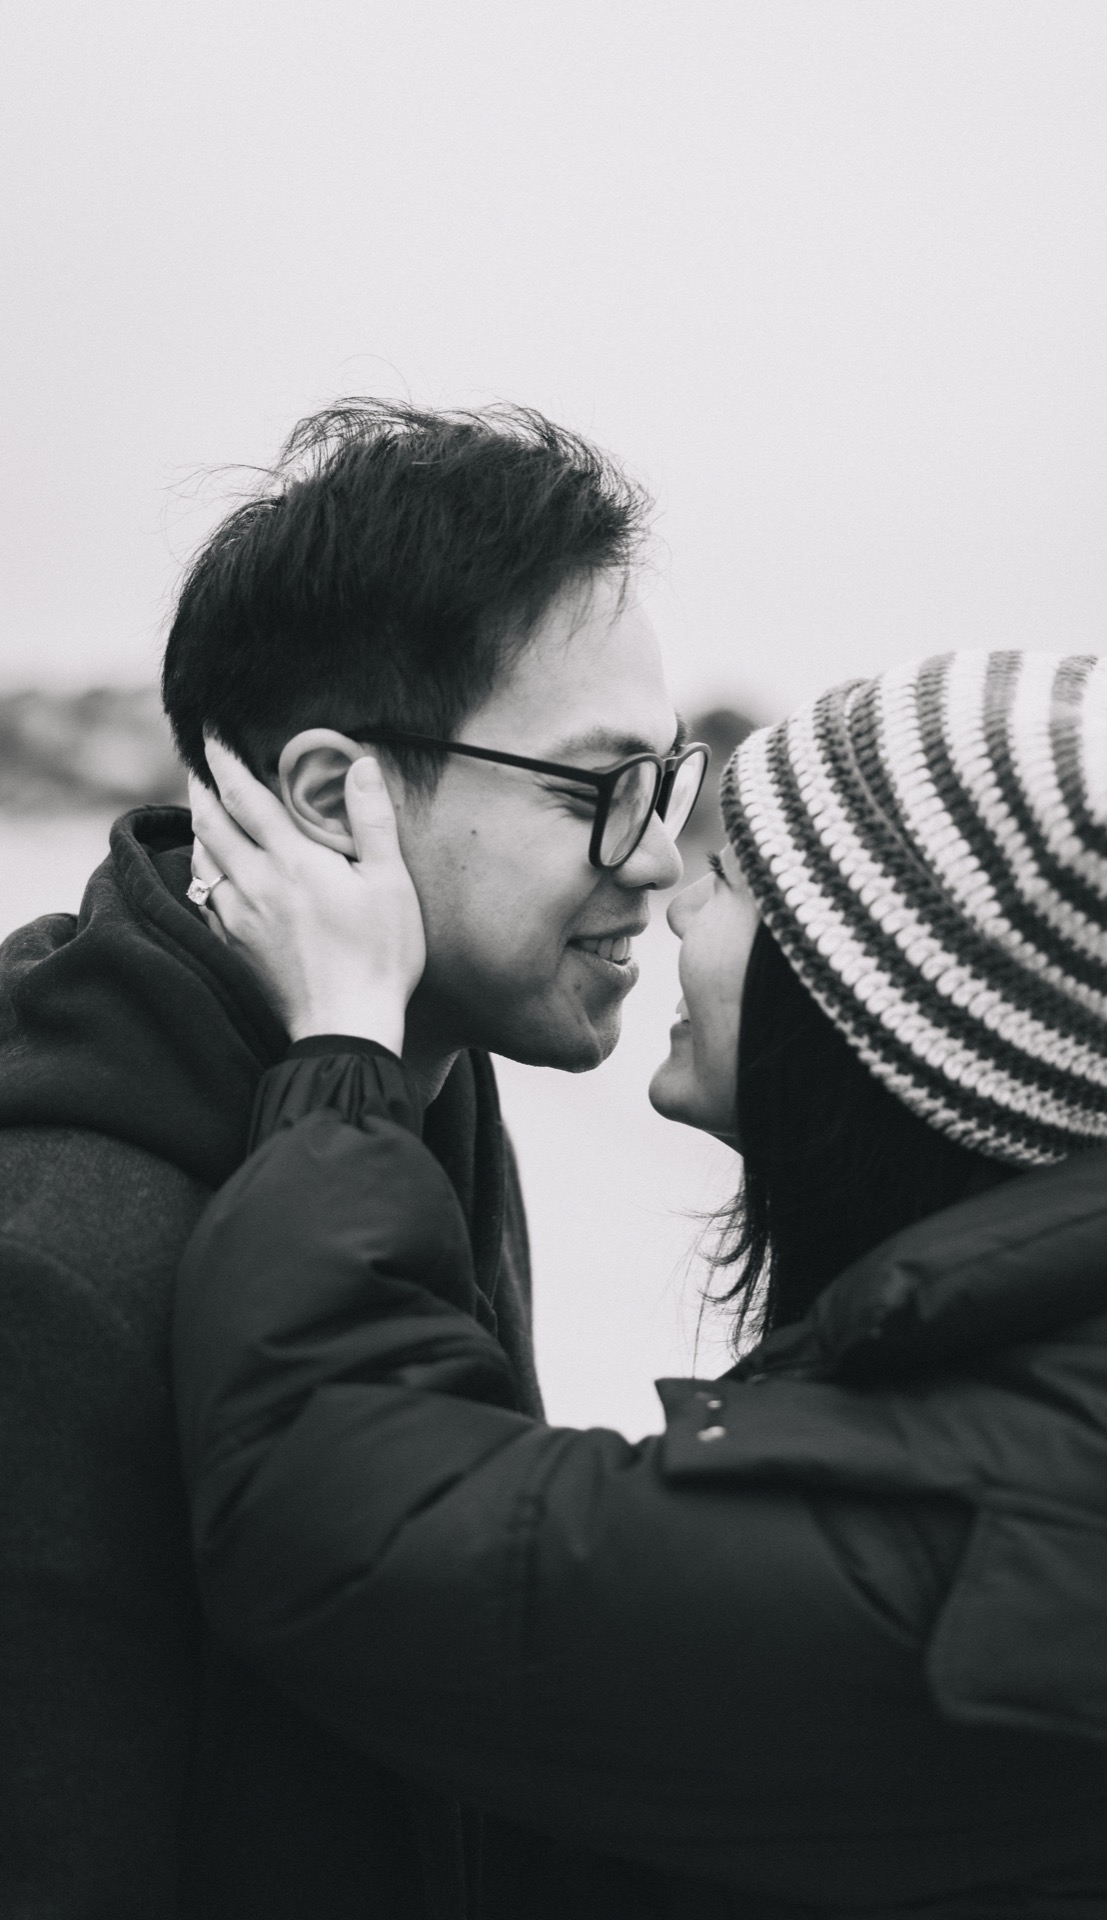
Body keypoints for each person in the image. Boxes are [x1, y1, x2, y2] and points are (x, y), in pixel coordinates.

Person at [175, 647, 1107, 1919]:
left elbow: (340, 1523)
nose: (673, 900)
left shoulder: (938, 1551)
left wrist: (344, 1040)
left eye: (732, 878)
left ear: (858, 1003)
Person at [0, 400, 705, 1917]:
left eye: (667, 780)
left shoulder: (417, 1089)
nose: (656, 855)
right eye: (595, 789)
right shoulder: (53, 1270)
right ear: (335, 801)